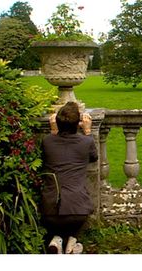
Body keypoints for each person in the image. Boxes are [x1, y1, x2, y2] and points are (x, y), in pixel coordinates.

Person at [40, 102, 98, 254]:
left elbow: (49, 153)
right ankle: (71, 242)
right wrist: (88, 131)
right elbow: (94, 157)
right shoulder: (86, 142)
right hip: (77, 212)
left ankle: (57, 239)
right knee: (74, 222)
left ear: (57, 122)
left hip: (50, 212)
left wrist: (53, 131)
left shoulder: (47, 141)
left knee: (57, 224)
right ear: (78, 124)